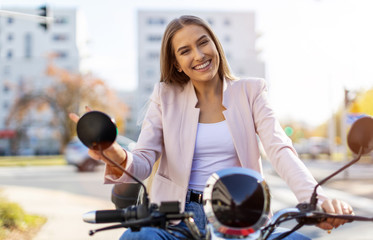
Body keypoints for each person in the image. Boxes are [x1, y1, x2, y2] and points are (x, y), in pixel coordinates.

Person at [70, 15, 353, 239]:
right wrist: (114, 152)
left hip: (241, 212)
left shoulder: (251, 91)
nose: (199, 54)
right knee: (137, 238)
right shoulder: (164, 97)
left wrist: (316, 199)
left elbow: (280, 149)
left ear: (215, 44)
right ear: (177, 64)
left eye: (203, 43)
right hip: (177, 215)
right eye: (185, 51)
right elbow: (143, 160)